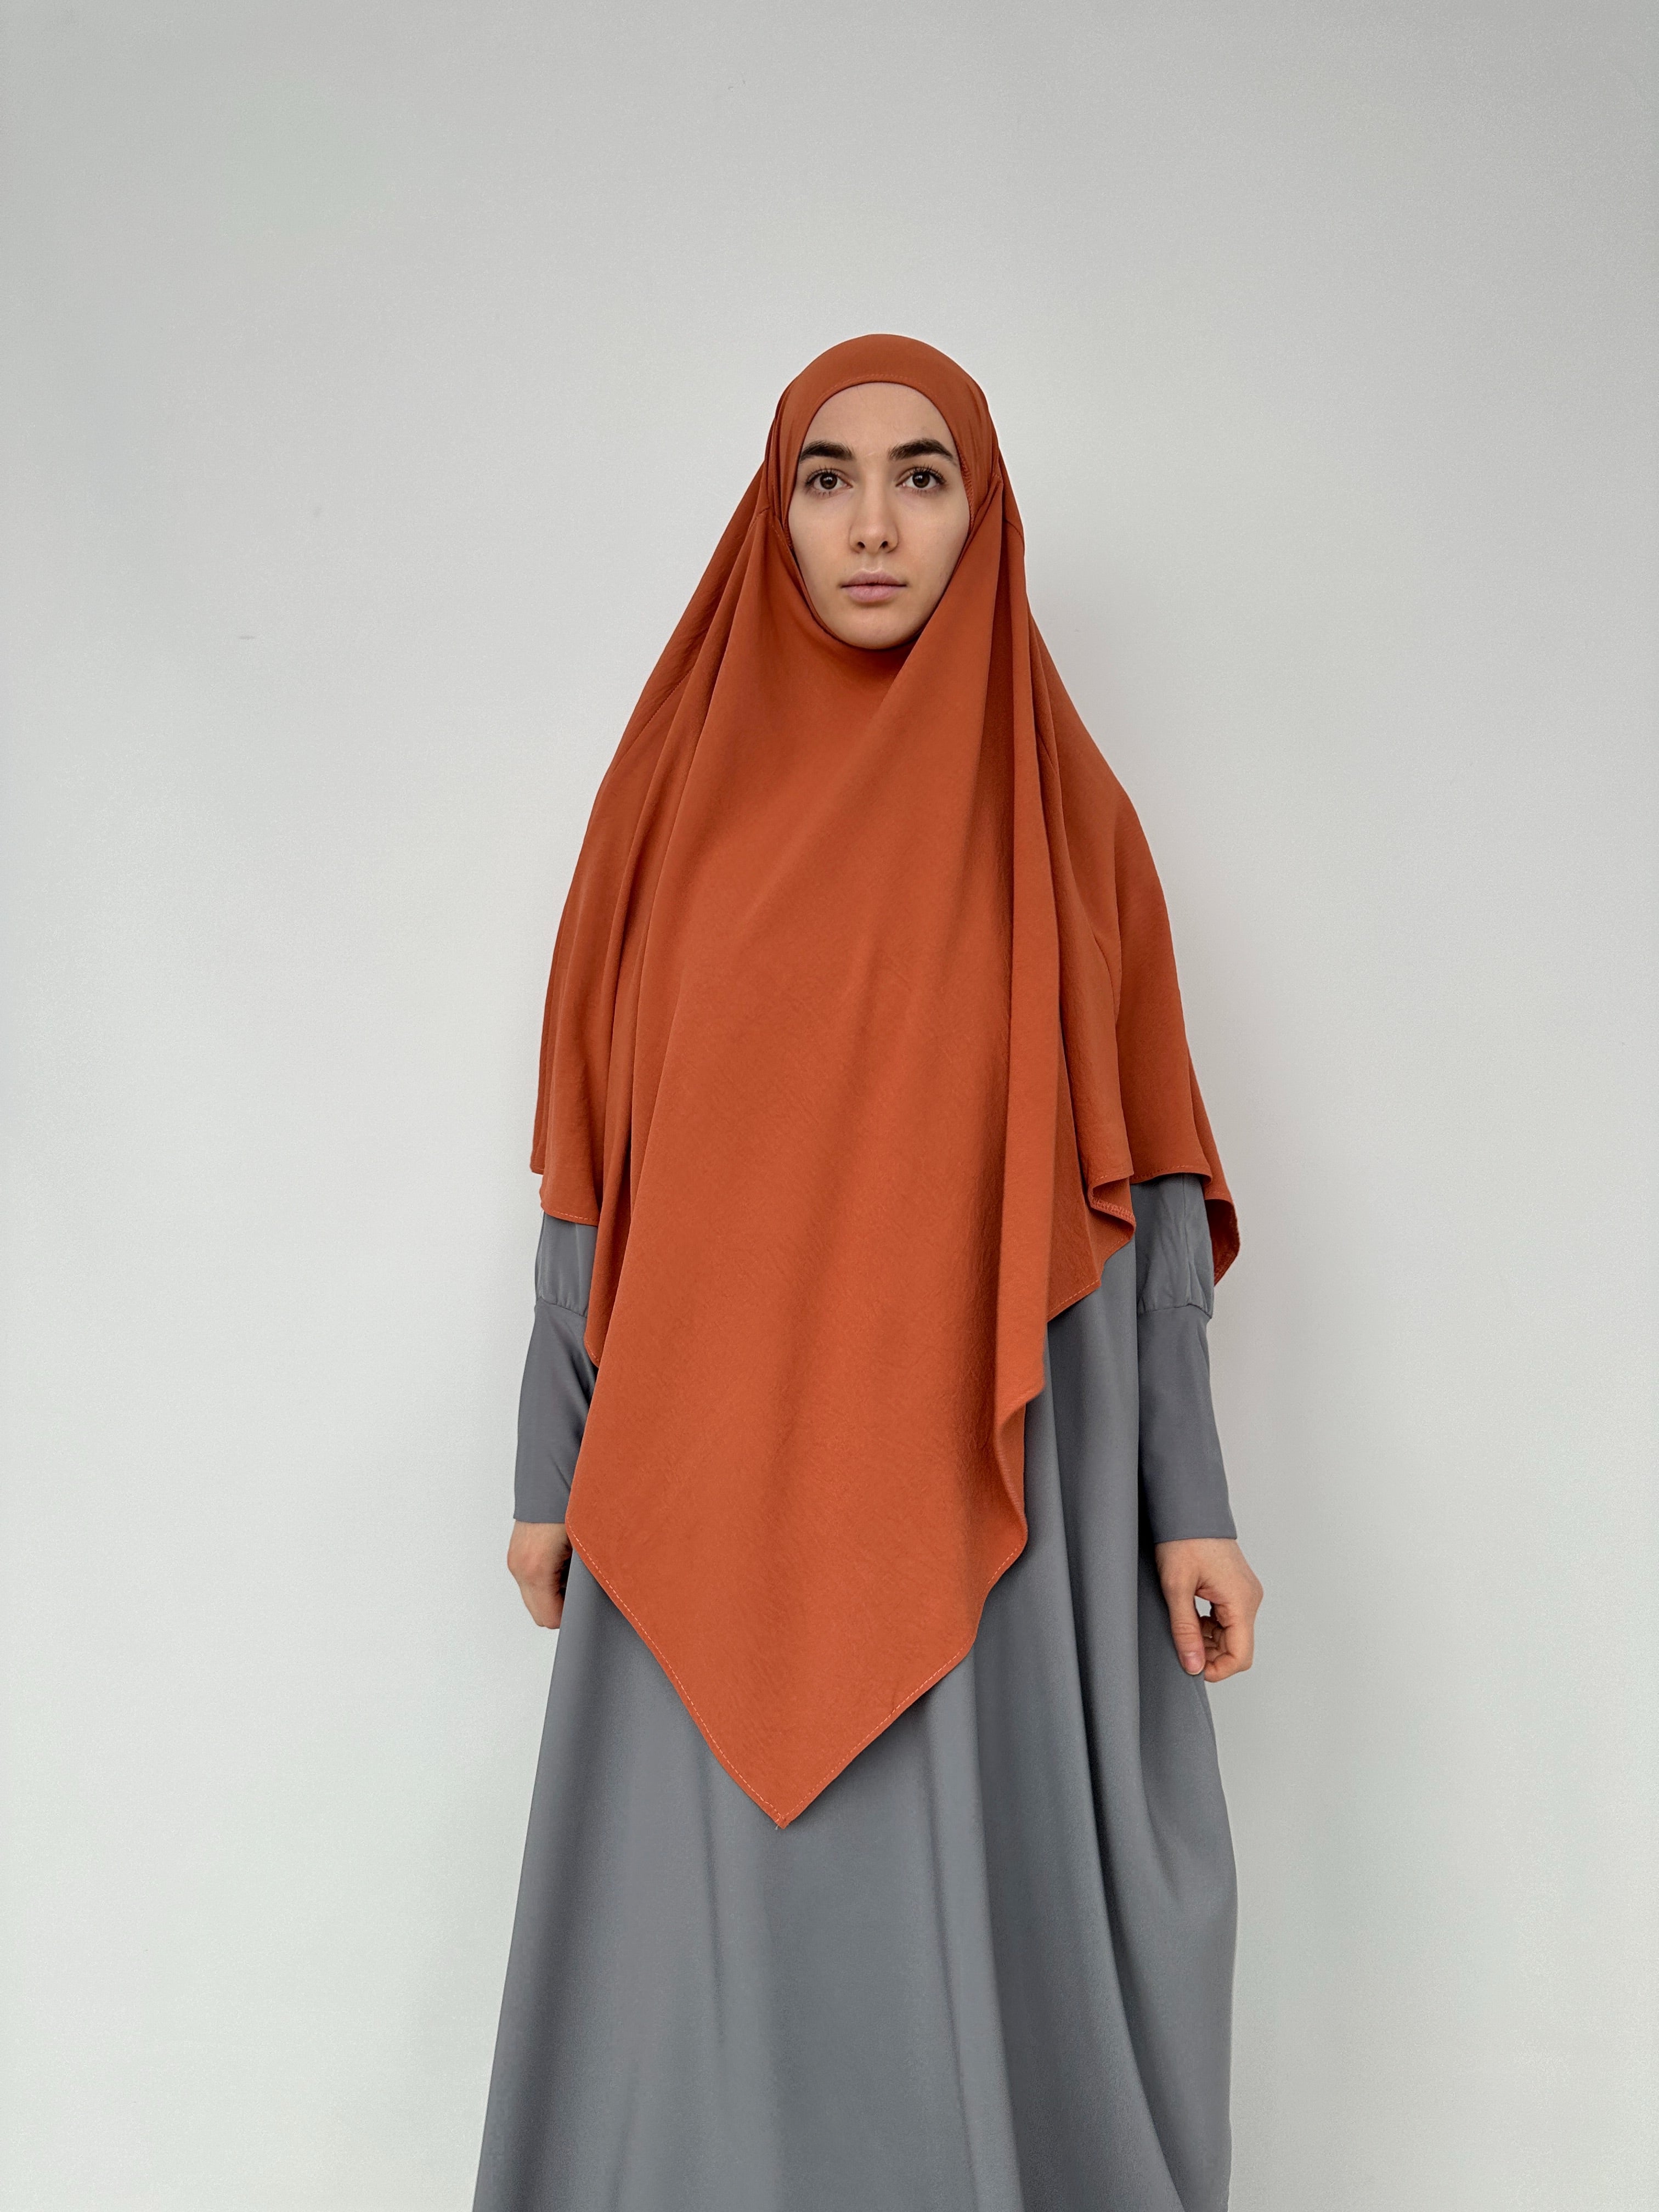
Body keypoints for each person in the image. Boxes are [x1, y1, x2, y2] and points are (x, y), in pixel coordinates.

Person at [472, 335, 1263, 2212]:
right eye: (826, 479)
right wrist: (550, 1458)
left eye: (924, 476)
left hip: (990, 1475)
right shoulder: (670, 802)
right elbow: (599, 1153)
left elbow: (1148, 1175)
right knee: (703, 1952)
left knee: (971, 1922)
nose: (875, 524)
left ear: (985, 516)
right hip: (705, 1463)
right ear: (778, 513)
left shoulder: (1067, 820)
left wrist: (1191, 1501)